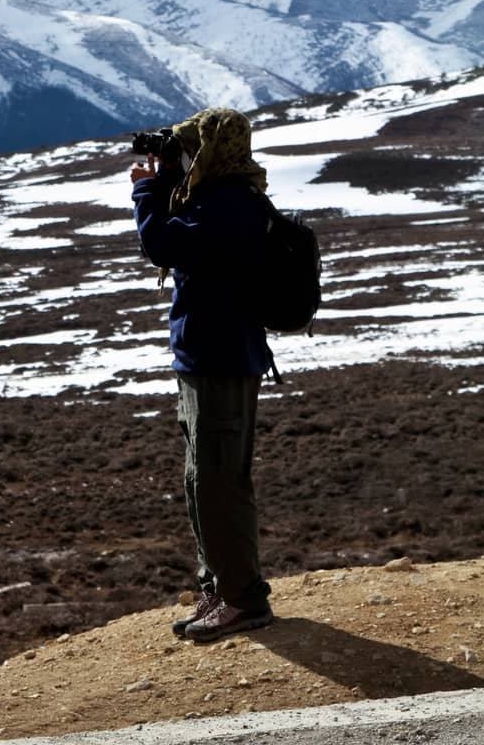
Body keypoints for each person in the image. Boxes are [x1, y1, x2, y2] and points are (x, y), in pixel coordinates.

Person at [130, 106, 275, 643]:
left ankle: (243, 600)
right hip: (208, 359)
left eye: (190, 146)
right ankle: (219, 587)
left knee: (218, 483)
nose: (184, 156)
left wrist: (148, 189)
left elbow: (163, 245)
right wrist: (169, 177)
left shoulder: (229, 205)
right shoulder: (222, 199)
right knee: (204, 480)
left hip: (219, 361)